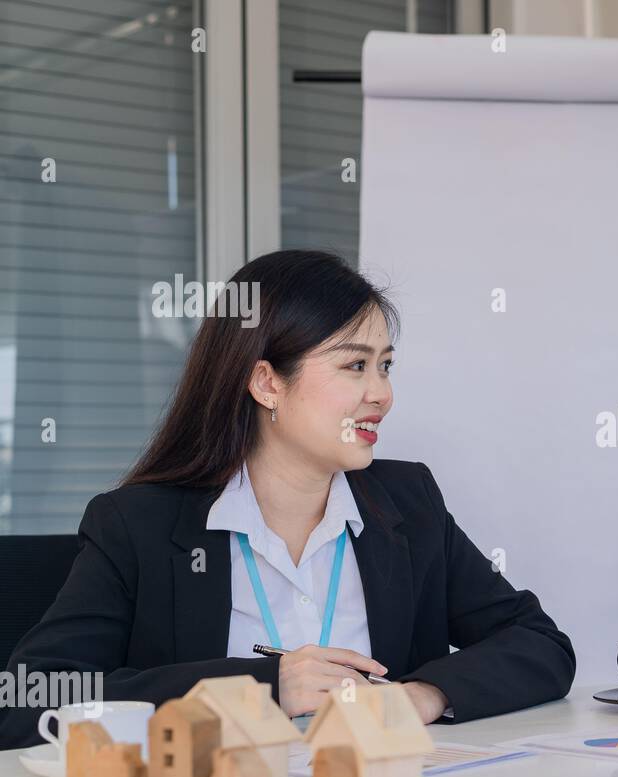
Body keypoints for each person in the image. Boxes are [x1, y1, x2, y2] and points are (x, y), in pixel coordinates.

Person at [0, 250, 575, 750]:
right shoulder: (138, 525)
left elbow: (538, 643)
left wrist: (421, 696)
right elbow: (28, 702)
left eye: (385, 366)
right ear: (267, 383)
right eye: (355, 366)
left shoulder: (408, 502)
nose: (382, 394)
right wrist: (263, 687)